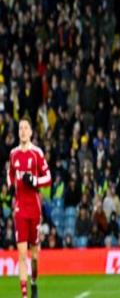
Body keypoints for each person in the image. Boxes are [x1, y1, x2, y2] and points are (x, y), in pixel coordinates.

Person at [7, 118, 52, 298]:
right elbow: (10, 174)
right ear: (18, 132)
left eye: (26, 128)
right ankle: (24, 295)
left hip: (34, 208)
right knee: (22, 255)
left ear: (31, 132)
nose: (23, 131)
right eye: (21, 128)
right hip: (20, 209)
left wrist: (34, 180)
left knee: (34, 256)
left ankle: (33, 282)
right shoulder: (13, 154)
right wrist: (10, 185)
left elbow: (48, 178)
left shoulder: (36, 153)